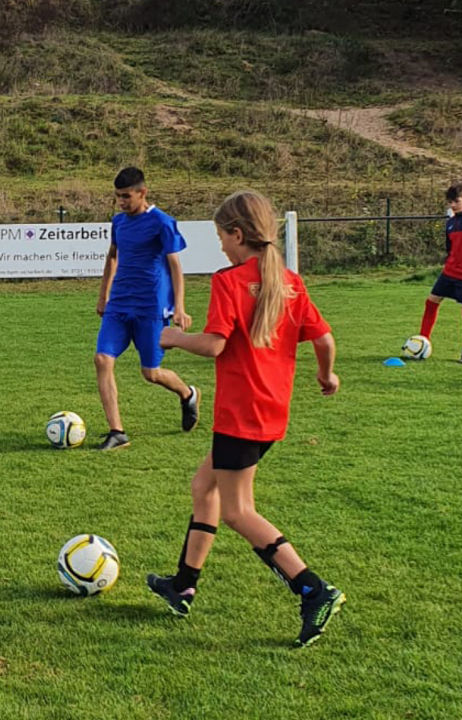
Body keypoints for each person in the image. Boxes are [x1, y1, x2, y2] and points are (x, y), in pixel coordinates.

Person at [147, 189, 345, 648]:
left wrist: (174, 337)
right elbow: (324, 338)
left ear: (238, 234)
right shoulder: (290, 281)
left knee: (239, 511)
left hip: (240, 413)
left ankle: (313, 589)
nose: (220, 247)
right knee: (204, 487)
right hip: (271, 410)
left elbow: (215, 343)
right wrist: (327, 375)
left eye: (221, 237)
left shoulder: (230, 281)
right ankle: (183, 585)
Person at [93, 167, 200, 451]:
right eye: (117, 197)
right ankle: (117, 432)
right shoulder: (118, 222)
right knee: (103, 359)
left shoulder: (162, 222)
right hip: (119, 304)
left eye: (126, 196)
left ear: (143, 192)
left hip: (150, 307)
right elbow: (112, 256)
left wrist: (179, 308)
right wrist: (103, 294)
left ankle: (187, 394)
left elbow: (175, 266)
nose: (121, 202)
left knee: (150, 373)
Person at [417, 182, 462, 364]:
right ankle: (421, 342)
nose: (452, 205)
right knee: (431, 301)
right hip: (450, 272)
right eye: (450, 202)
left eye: (456, 201)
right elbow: (450, 249)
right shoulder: (450, 223)